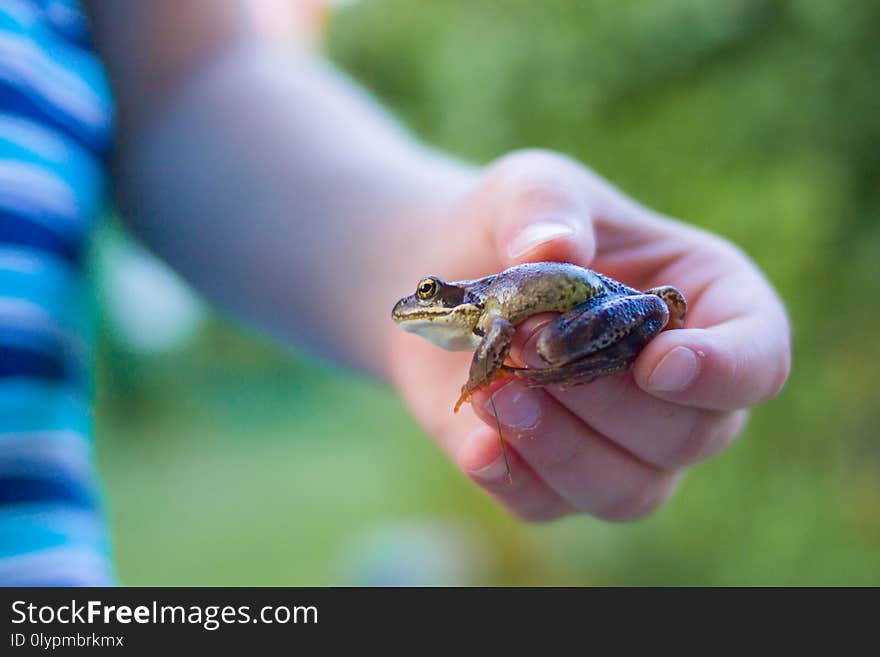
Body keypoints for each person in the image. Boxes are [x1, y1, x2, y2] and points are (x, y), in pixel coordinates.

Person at [1, 0, 790, 584]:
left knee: (540, 349)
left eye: (427, 296)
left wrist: (438, 240)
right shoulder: (480, 309)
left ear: (445, 295)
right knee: (540, 349)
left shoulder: (481, 311)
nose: (422, 306)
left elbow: (188, 82)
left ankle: (585, 354)